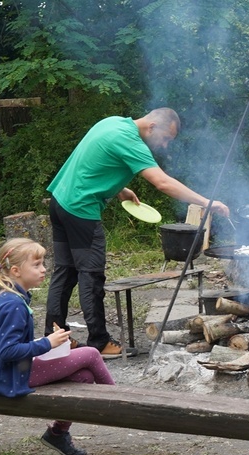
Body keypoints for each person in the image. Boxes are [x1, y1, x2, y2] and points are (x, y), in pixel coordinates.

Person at [43, 107, 229, 359]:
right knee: (91, 275)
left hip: (60, 201)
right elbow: (162, 182)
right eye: (165, 138)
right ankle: (98, 341)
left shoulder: (113, 123)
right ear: (152, 127)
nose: (163, 146)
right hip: (81, 210)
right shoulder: (131, 141)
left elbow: (94, 161)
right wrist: (206, 202)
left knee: (65, 273)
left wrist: (120, 188)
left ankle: (53, 337)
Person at [0, 238, 115, 455]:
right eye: (37, 265)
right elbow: (8, 351)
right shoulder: (14, 305)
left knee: (85, 376)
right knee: (91, 353)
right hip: (8, 378)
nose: (44, 269)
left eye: (43, 264)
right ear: (16, 270)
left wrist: (48, 343)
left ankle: (57, 433)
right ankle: (118, 403)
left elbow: (12, 345)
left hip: (2, 373)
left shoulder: (11, 297)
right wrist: (47, 343)